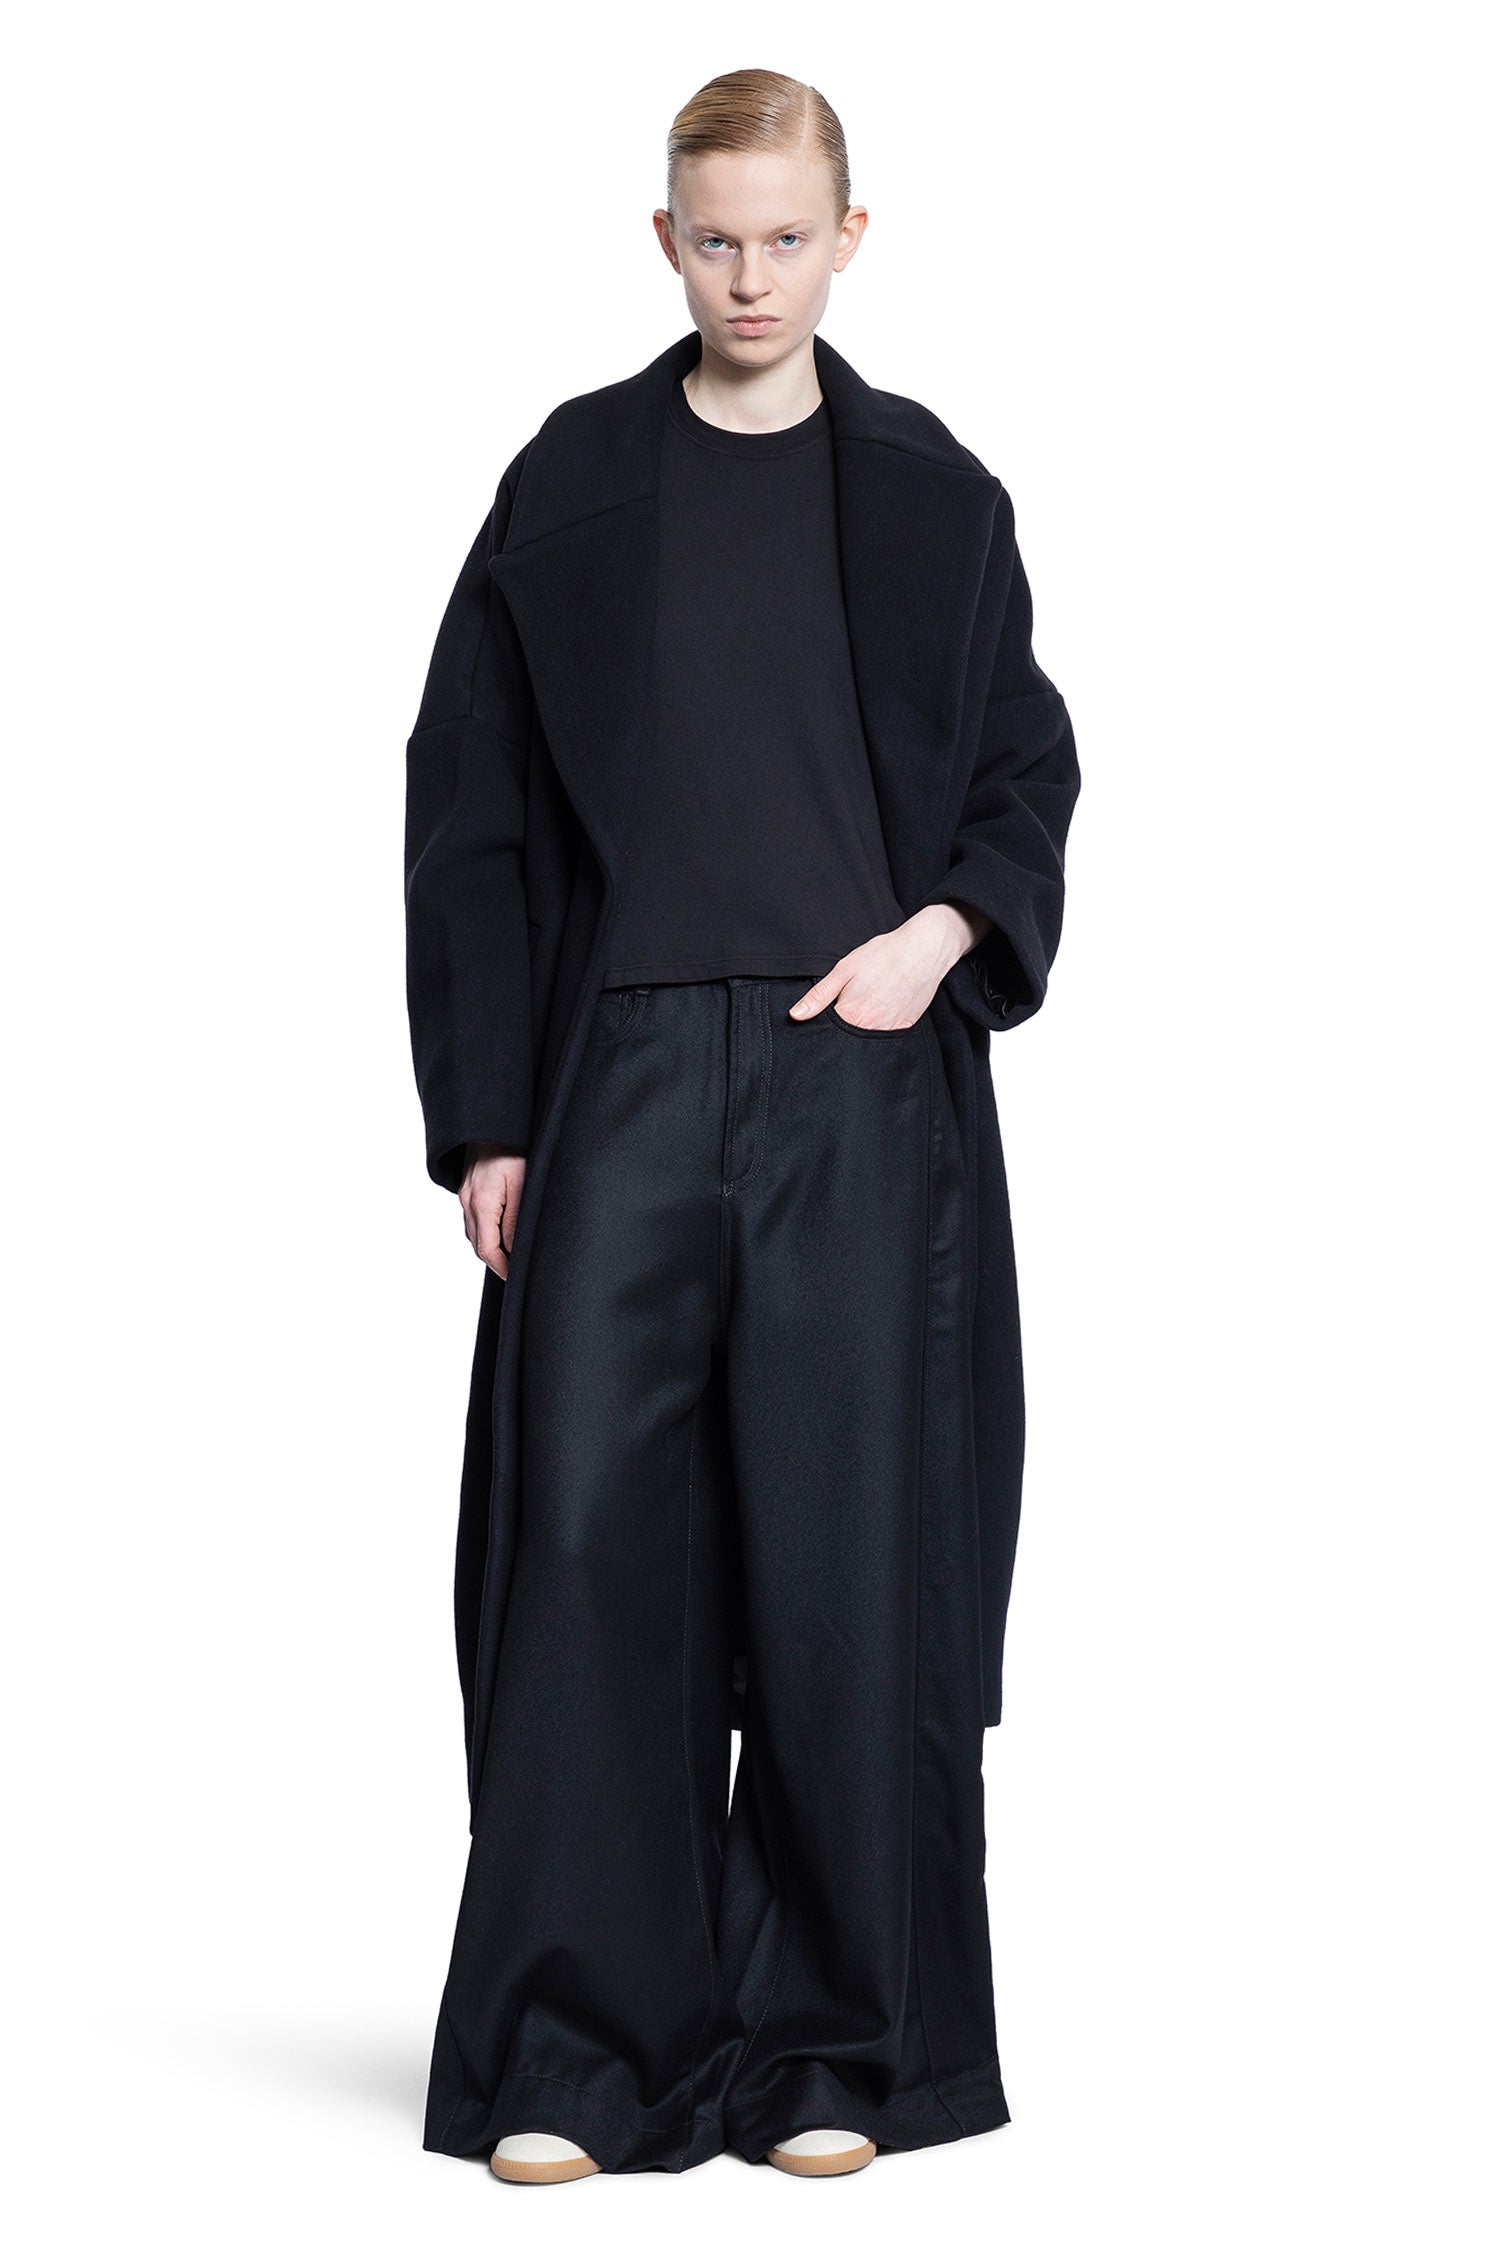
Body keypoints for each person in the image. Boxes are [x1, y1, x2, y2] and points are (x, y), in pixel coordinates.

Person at [403, 67, 1081, 2186]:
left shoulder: (936, 494)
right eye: (718, 238)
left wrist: (937, 940)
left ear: (850, 236)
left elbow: (1025, 769)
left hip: (857, 1076)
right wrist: (487, 1117)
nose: (753, 276)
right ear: (665, 239)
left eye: (790, 237)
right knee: (586, 1556)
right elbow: (471, 808)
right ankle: (578, 2055)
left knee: (845, 1559)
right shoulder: (573, 483)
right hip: (611, 1076)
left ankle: (834, 2051)